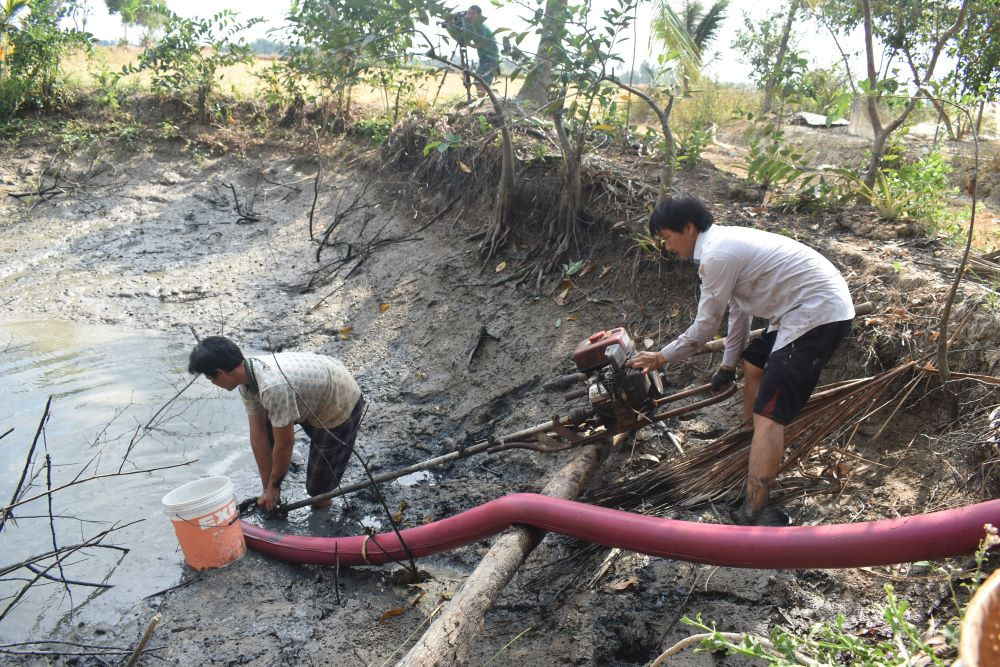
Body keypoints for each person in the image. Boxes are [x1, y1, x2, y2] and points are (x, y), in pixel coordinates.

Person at [627, 194, 854, 525]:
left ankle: (753, 508)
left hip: (817, 314)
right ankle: (748, 441)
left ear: (688, 228)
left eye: (668, 238)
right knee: (754, 364)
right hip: (804, 310)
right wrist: (727, 366)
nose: (668, 247)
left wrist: (662, 357)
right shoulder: (723, 244)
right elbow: (738, 312)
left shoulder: (717, 255)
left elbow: (705, 327)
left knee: (770, 416)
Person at [188, 336, 364, 512]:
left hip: (340, 403)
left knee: (318, 489)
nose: (213, 383)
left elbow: (286, 443)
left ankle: (323, 516)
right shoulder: (247, 382)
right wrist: (269, 489)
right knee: (267, 425)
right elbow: (258, 437)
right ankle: (276, 486)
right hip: (313, 396)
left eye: (211, 378)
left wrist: (273, 485)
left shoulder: (272, 386)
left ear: (221, 373)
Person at [446, 4, 499, 96]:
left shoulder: (481, 26)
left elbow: (480, 43)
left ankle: (483, 101)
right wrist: (450, 24)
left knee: (480, 81)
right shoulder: (474, 26)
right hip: (485, 57)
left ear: (479, 15)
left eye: (473, 14)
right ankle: (483, 101)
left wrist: (469, 43)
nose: (470, 16)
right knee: (480, 80)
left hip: (490, 57)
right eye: (468, 13)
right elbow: (461, 37)